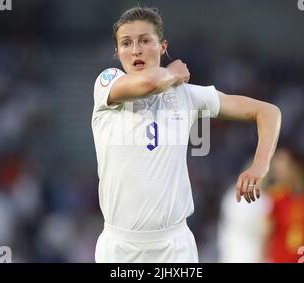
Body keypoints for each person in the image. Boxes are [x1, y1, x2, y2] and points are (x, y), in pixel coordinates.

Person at [91, 6, 281, 263]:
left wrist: (259, 165)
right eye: (126, 43)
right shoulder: (107, 84)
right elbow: (149, 82)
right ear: (117, 52)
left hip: (174, 247)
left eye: (145, 40)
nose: (135, 50)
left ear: (163, 46)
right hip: (119, 248)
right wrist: (173, 73)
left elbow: (267, 112)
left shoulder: (187, 95)